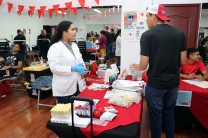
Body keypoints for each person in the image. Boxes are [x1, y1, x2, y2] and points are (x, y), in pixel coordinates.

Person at [130, 4, 187, 138]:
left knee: (156, 118)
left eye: (147, 17)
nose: (146, 21)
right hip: (173, 83)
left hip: (156, 84)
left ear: (154, 17)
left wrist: (136, 66)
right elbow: (183, 61)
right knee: (169, 115)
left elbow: (143, 65)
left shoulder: (147, 35)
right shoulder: (179, 34)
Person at [47, 21, 87, 104]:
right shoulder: (55, 48)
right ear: (64, 32)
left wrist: (82, 67)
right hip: (64, 89)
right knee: (66, 114)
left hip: (78, 85)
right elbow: (54, 68)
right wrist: (72, 68)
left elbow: (80, 59)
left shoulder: (74, 45)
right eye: (72, 29)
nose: (75, 31)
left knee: (77, 113)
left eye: (75, 29)